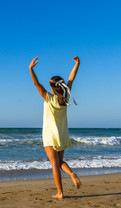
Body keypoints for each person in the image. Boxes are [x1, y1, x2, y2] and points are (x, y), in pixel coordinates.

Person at [29, 56, 82, 199]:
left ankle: (60, 193)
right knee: (59, 162)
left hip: (50, 135)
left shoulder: (48, 97)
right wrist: (77, 64)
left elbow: (36, 83)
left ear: (52, 88)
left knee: (54, 164)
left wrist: (31, 69)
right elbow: (71, 79)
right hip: (62, 134)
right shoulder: (65, 99)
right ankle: (71, 174)